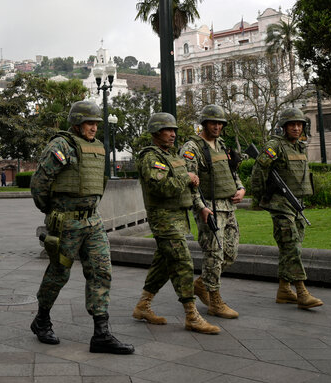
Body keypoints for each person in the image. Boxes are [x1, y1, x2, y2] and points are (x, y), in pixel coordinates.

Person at [30, 100, 134, 355]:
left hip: (93, 222)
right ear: (76, 123)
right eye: (89, 123)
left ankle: (101, 334)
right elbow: (39, 183)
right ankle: (42, 319)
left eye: (96, 123)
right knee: (59, 273)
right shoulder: (61, 145)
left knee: (101, 271)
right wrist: (52, 212)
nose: (94, 128)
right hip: (66, 224)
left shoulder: (97, 147)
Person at [131, 112, 220, 335]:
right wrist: (187, 177)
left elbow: (186, 186)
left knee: (163, 264)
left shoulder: (172, 156)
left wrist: (199, 205)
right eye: (167, 130)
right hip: (163, 219)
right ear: (155, 132)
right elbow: (160, 187)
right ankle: (191, 315)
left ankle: (143, 305)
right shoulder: (150, 157)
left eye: (174, 130)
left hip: (179, 217)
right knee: (182, 262)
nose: (172, 134)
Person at [251, 107, 324, 309]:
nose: (296, 128)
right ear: (284, 127)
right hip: (280, 204)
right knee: (292, 246)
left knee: (290, 247)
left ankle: (284, 290)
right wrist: (261, 197)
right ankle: (301, 291)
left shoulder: (299, 147)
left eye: (299, 124)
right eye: (292, 125)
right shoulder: (275, 145)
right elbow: (258, 171)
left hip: (296, 204)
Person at [179, 105, 245, 319]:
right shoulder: (192, 148)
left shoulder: (221, 144)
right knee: (214, 254)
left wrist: (241, 188)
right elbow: (190, 182)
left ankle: (202, 284)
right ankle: (215, 300)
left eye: (220, 123)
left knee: (230, 254)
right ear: (204, 123)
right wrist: (201, 208)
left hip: (228, 206)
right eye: (213, 123)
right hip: (209, 208)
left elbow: (231, 171)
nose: (217, 126)